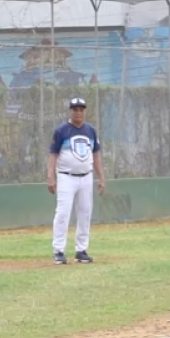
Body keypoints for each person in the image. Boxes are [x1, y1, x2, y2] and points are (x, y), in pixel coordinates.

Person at [47, 97, 105, 265]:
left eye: (81, 109)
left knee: (85, 213)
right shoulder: (62, 131)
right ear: (70, 111)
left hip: (86, 177)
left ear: (85, 111)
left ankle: (81, 250)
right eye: (75, 109)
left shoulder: (91, 131)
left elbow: (96, 155)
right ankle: (58, 250)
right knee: (63, 213)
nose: (78, 112)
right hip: (66, 176)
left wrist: (101, 177)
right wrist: (51, 177)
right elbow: (53, 155)